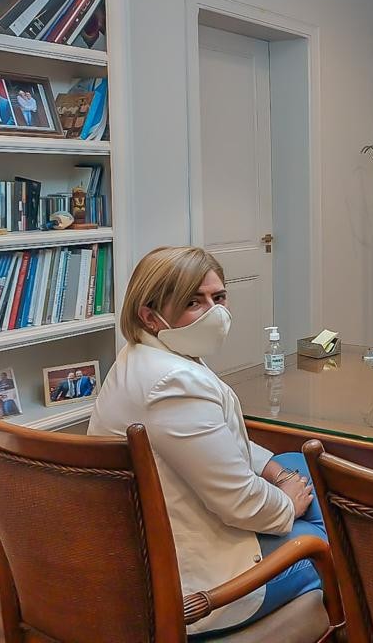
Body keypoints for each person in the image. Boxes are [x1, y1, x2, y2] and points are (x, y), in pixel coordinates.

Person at [88, 246, 324, 636]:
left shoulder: (145, 355)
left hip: (154, 538)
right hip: (194, 582)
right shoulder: (173, 383)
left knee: (296, 465)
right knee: (329, 530)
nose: (214, 312)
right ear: (149, 315)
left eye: (219, 297)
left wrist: (276, 471)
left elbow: (212, 440)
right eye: (193, 302)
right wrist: (287, 503)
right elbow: (238, 501)